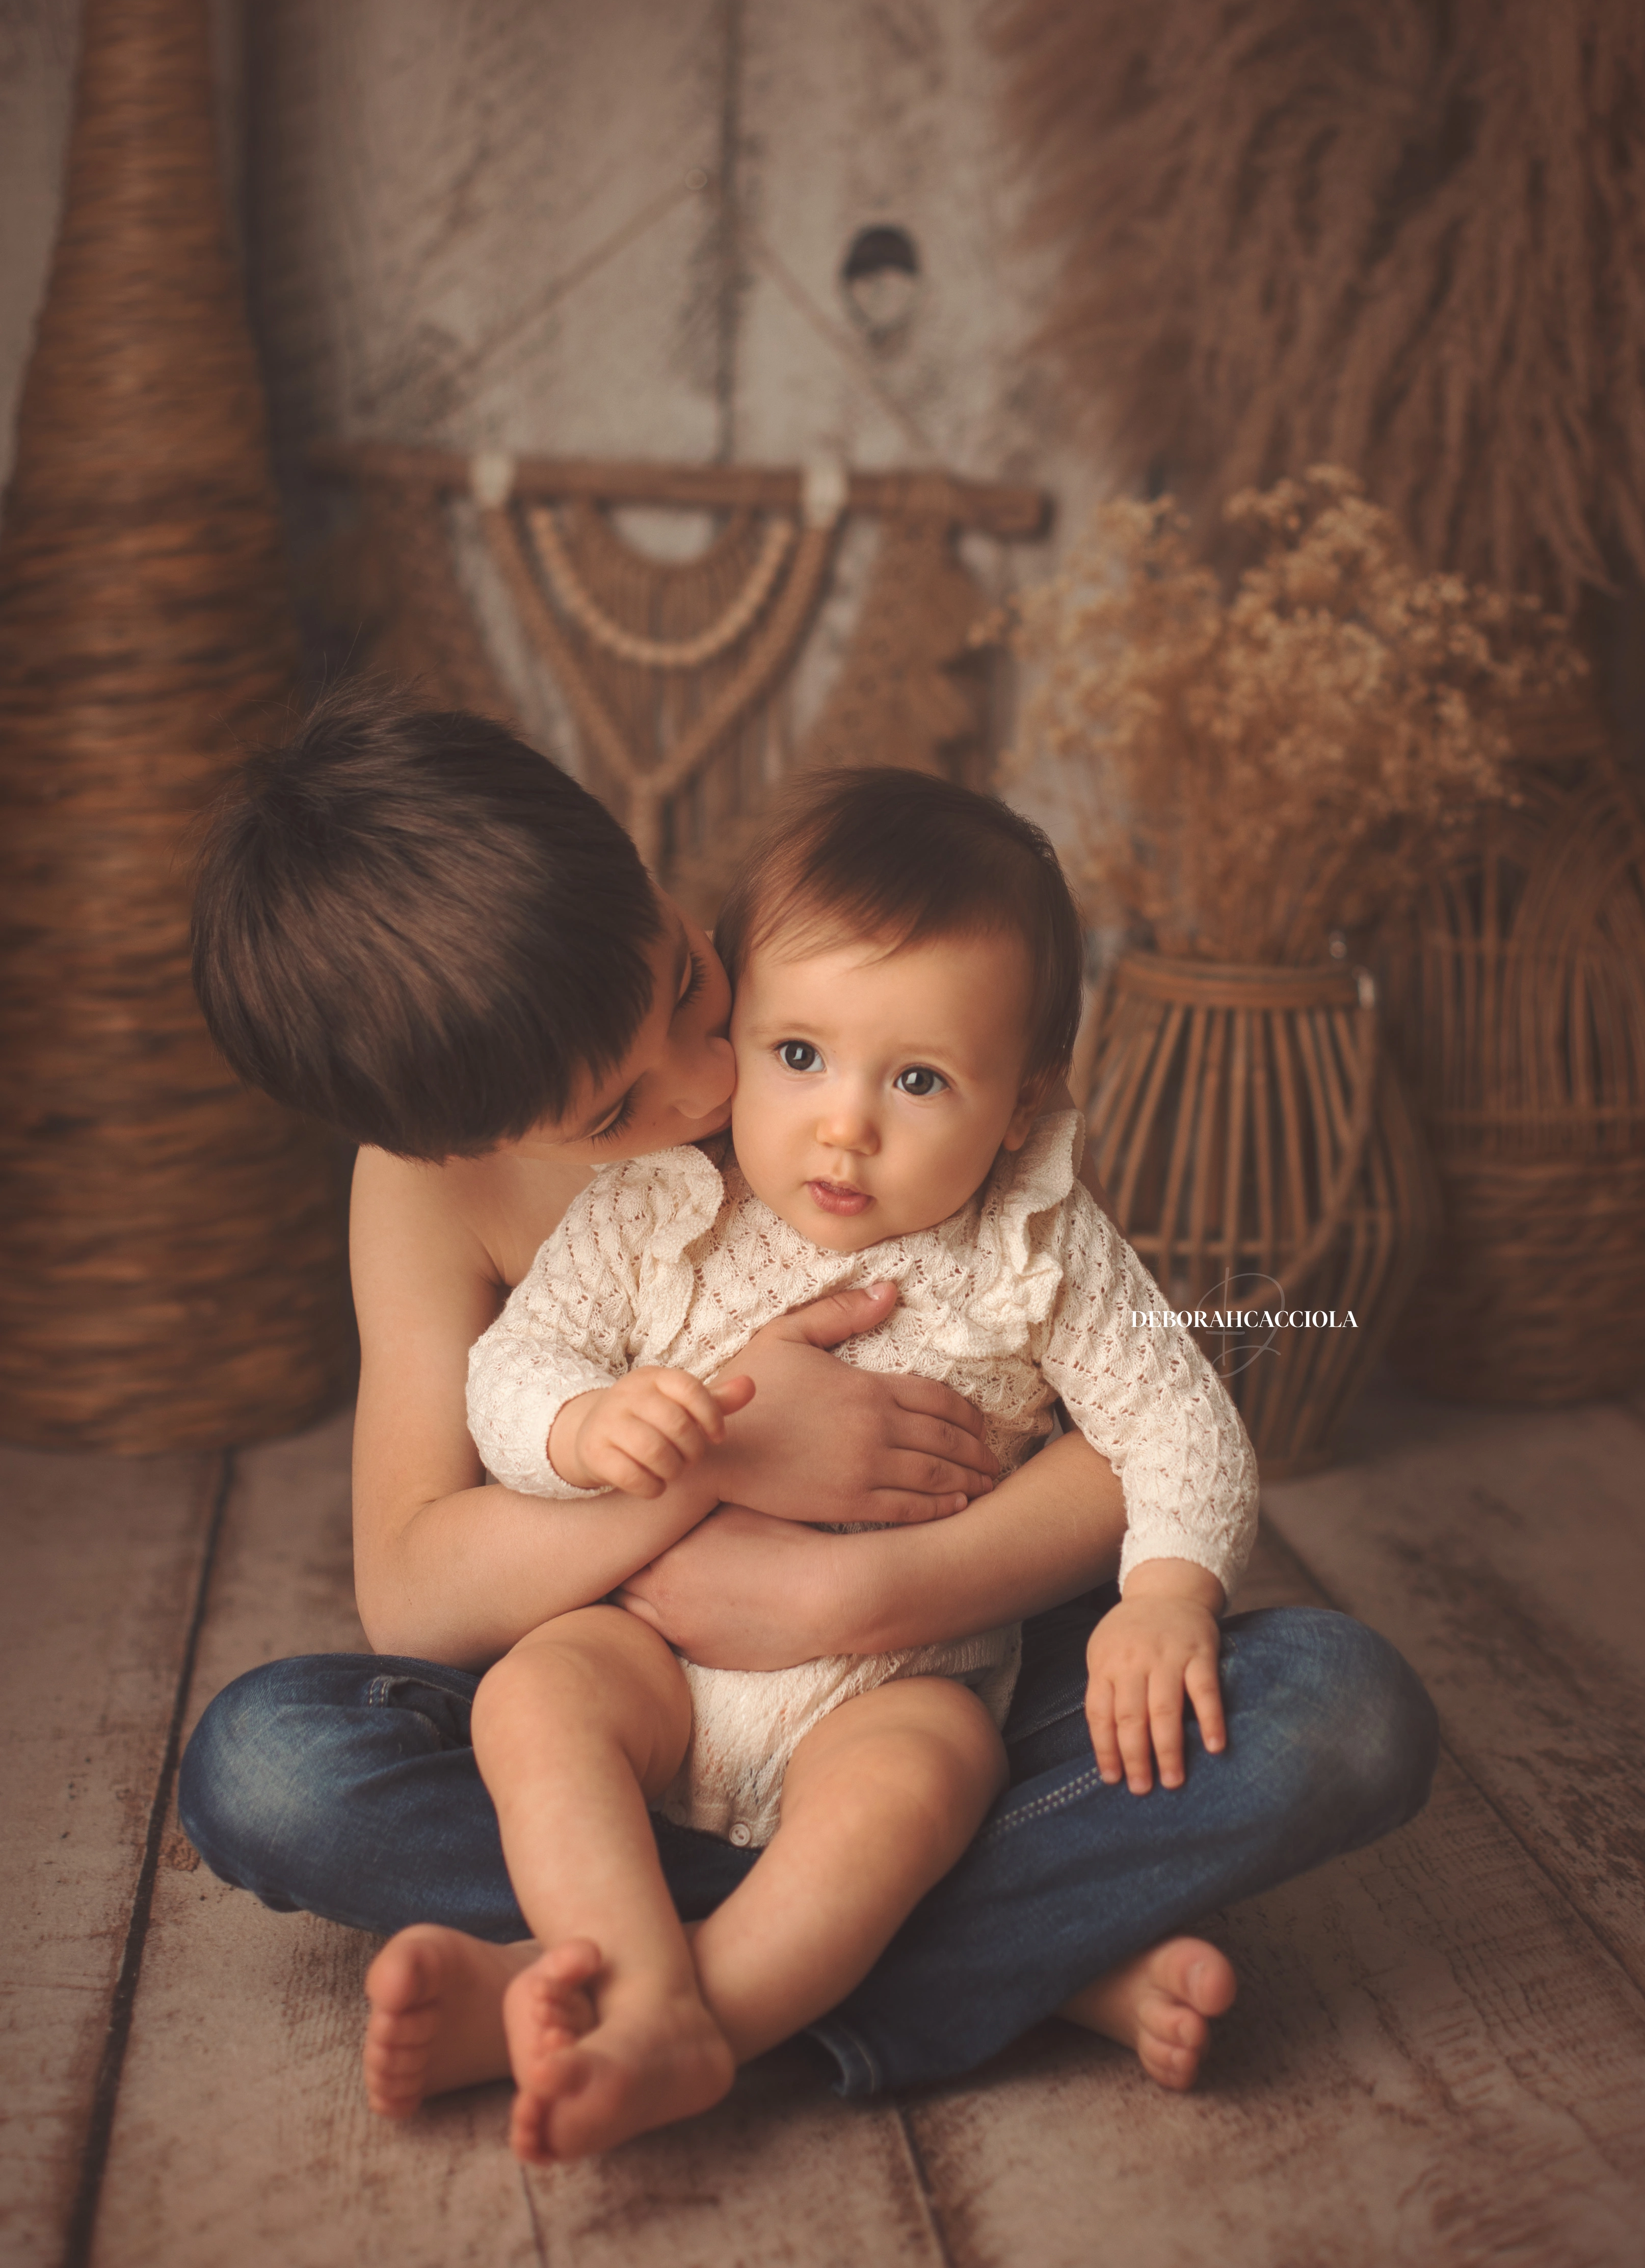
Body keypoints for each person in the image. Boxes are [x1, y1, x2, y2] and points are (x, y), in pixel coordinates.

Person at [177, 688, 1438, 2131]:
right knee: (267, 1762)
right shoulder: (425, 1186)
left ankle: (633, 1987)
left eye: (687, 989)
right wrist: (723, 1450)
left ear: (639, 865)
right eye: (615, 1110)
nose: (713, 1076)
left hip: (930, 1658)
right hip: (632, 1681)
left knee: (1339, 1713)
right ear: (454, 1135)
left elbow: (1139, 1430)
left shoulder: (821, 994)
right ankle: (966, 1962)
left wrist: (860, 1587)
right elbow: (415, 1587)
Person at [460, 767, 1257, 2159]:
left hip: (896, 1686)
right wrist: (581, 1427)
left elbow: (1180, 1415)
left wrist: (1170, 1596)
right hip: (657, 1663)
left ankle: (690, 2020)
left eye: (919, 1079)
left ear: (1021, 1104)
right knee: (529, 1698)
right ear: (741, 1037)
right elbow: (509, 1372)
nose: (844, 1123)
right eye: (799, 1056)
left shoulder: (1040, 1243)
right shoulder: (652, 1205)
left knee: (925, 1784)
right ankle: (644, 1979)